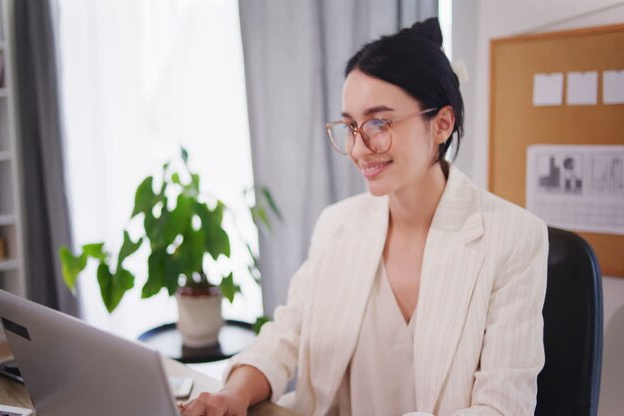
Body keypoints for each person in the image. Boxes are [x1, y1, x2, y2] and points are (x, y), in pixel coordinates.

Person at [179, 17, 548, 416]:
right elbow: (286, 334)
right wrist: (233, 394)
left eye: (378, 123)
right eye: (351, 126)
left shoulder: (513, 238)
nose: (358, 149)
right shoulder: (338, 225)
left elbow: (503, 407)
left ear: (441, 124)